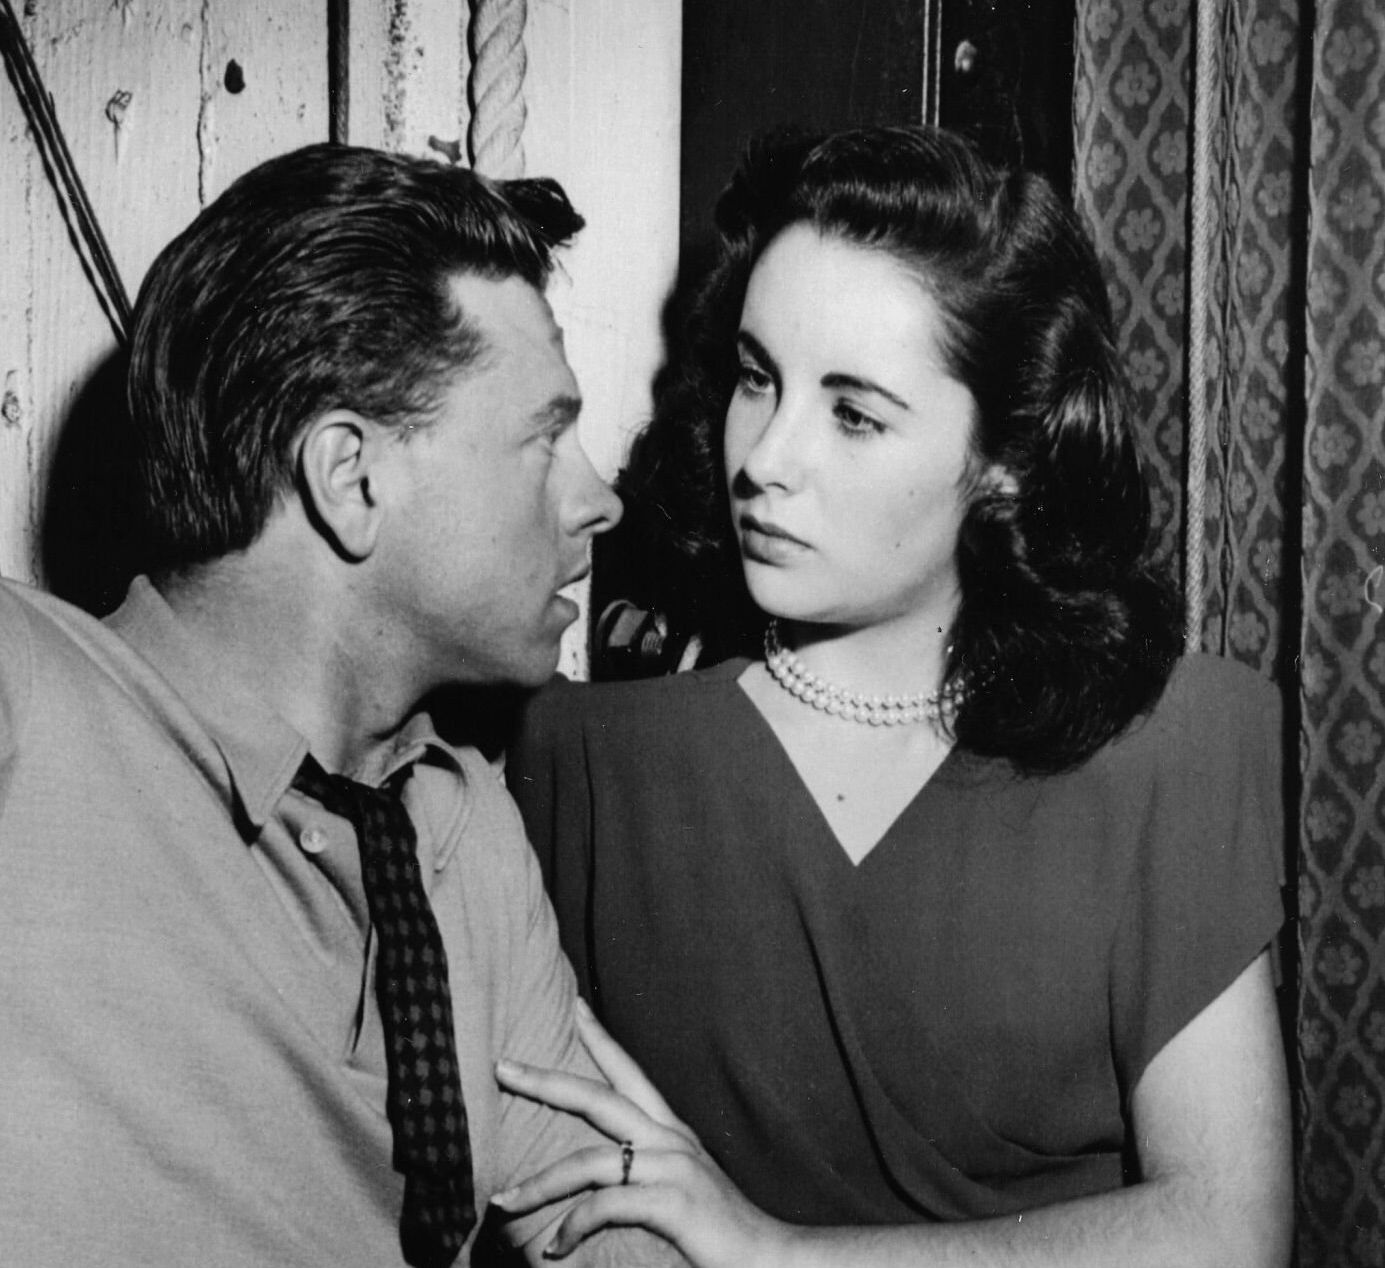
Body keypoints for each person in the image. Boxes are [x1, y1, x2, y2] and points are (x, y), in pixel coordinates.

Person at [0, 9, 690, 1265]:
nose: (597, 497)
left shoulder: (460, 824)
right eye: (542, 438)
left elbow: (611, 1224)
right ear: (350, 478)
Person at [494, 126, 1293, 1266]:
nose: (764, 458)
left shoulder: (1169, 746)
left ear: (1005, 459)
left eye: (854, 413)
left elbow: (1228, 1232)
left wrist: (774, 1254)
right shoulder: (582, 764)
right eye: (758, 379)